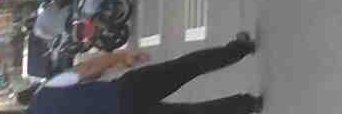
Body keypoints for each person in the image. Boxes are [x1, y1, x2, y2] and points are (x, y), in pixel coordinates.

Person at [31, 31, 261, 113]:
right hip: (126, 91)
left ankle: (247, 105)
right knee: (186, 67)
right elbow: (88, 69)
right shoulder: (45, 93)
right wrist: (120, 58)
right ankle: (240, 48)